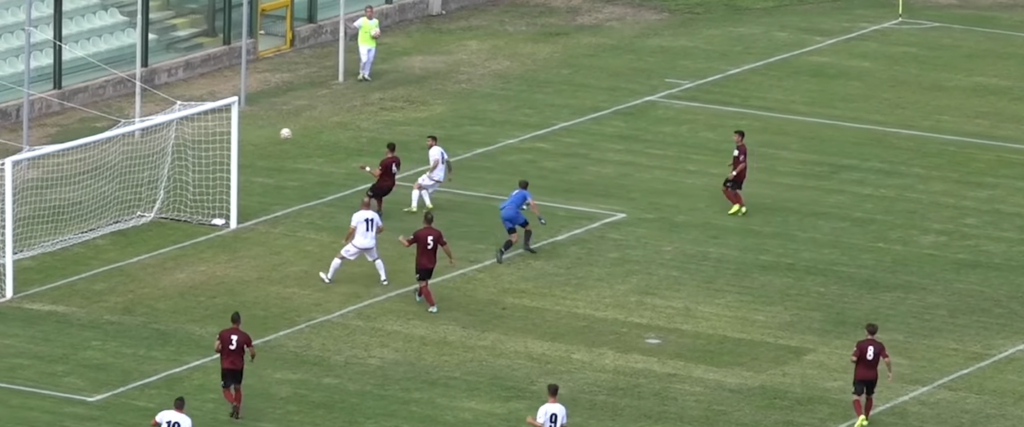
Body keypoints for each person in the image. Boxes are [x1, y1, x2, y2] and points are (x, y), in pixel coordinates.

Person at [320, 198, 389, 285]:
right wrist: (373, 233)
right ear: (369, 205)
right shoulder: (375, 215)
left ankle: (328, 277)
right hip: (370, 244)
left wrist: (346, 240)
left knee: (339, 256)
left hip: (358, 244)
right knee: (376, 259)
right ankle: (384, 279)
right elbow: (381, 228)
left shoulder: (357, 215)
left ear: (361, 204)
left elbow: (351, 230)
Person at [399, 211, 453, 313]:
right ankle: (419, 295)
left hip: (421, 263)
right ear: (432, 221)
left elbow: (407, 244)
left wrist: (401, 239)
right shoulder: (437, 233)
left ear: (423, 220)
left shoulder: (419, 233)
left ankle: (432, 306)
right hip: (432, 263)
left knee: (423, 283)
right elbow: (445, 246)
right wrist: (450, 257)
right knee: (424, 280)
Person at [851, 323, 892, 427]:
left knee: (856, 396)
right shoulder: (880, 345)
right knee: (869, 396)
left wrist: (856, 360)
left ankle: (860, 416)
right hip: (873, 375)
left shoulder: (860, 344)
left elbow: (853, 358)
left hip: (860, 374)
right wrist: (889, 371)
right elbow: (887, 359)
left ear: (866, 332)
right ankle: (866, 419)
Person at [216, 312, 255, 419]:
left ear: (231, 320)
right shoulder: (244, 336)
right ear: (240, 322)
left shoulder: (223, 333)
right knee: (237, 388)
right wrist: (252, 358)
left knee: (226, 389)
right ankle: (237, 412)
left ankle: (233, 403)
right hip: (238, 366)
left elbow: (216, 348)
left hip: (226, 365)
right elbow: (252, 352)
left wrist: (222, 351)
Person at [496, 179, 545, 264]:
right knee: (527, 227)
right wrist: (539, 216)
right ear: (527, 187)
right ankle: (526, 245)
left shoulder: (513, 192)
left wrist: (523, 206)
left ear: (519, 186)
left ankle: (501, 251)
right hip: (512, 213)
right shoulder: (526, 192)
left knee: (514, 238)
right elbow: (532, 204)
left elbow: (513, 202)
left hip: (504, 213)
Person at [405, 135, 451, 213]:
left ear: (434, 142)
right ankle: (428, 205)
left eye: (429, 141)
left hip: (433, 175)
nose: (427, 143)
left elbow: (436, 162)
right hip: (440, 177)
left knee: (416, 185)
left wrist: (430, 171)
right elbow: (448, 161)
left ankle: (413, 207)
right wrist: (450, 174)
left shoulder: (433, 150)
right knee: (424, 188)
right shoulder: (440, 149)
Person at [361, 142, 401, 216]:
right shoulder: (397, 159)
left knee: (368, 195)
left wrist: (366, 168)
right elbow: (397, 169)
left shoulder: (385, 162)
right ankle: (379, 210)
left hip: (382, 184)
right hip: (391, 184)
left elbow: (376, 174)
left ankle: (364, 212)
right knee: (379, 195)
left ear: (387, 150)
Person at [723, 130, 748, 216]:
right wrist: (732, 162)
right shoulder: (738, 147)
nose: (734, 138)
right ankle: (743, 207)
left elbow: (743, 164)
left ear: (740, 138)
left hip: (738, 174)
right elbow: (738, 159)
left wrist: (734, 173)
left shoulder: (742, 149)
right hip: (738, 172)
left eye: (735, 136)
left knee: (725, 188)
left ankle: (735, 204)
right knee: (733, 190)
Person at [352, 6, 380, 81]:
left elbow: (378, 32)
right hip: (363, 44)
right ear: (365, 13)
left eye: (370, 12)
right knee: (364, 60)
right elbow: (353, 26)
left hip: (372, 44)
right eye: (367, 12)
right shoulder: (362, 20)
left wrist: (376, 36)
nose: (369, 13)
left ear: (372, 12)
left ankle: (366, 74)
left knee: (370, 60)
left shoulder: (376, 21)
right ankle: (361, 73)